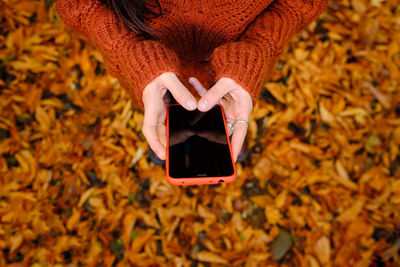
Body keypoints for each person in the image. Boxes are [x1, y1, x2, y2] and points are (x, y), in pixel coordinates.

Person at [56, 0, 327, 162]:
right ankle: (173, 147)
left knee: (229, 123)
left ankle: (218, 145)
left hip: (235, 75)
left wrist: (258, 49)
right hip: (152, 72)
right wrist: (132, 55)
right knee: (164, 118)